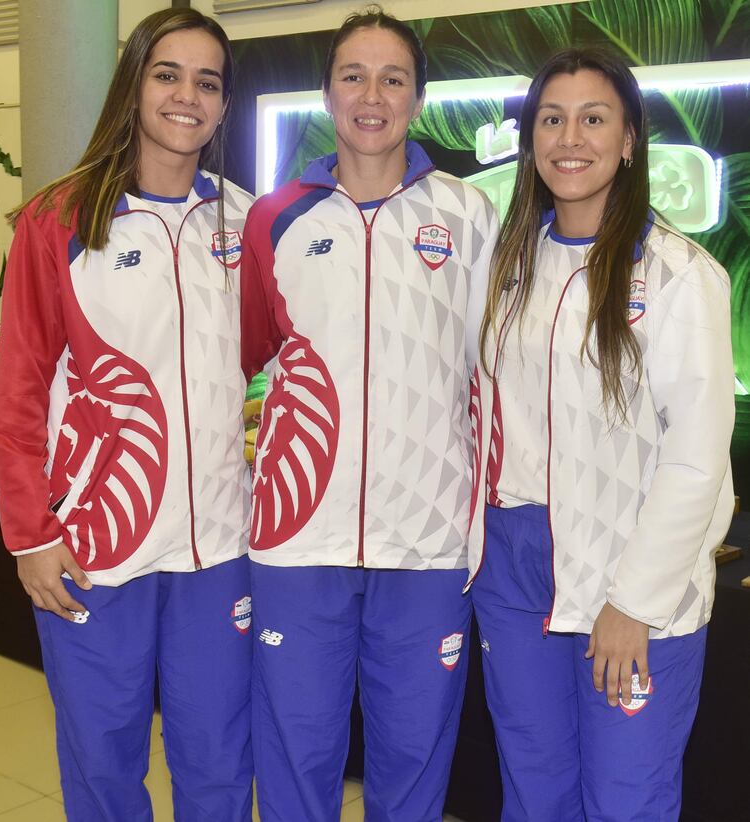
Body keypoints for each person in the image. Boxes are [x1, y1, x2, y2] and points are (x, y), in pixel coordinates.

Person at [0, 9, 254, 821]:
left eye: (207, 82)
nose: (186, 96)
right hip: (95, 547)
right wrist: (31, 534)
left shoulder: (245, 220)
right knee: (103, 761)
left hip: (219, 547)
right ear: (134, 85)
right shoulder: (59, 221)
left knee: (218, 758)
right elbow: (20, 389)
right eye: (167, 74)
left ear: (223, 104)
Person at [240, 6, 497, 820]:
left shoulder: (468, 216)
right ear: (327, 93)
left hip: (427, 542)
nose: (372, 96)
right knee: (295, 760)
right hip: (297, 539)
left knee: (414, 766)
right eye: (354, 76)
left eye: (393, 78)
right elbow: (245, 356)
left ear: (418, 98)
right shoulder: (274, 217)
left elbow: (495, 371)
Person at [466, 48, 735, 821]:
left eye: (593, 118)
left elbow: (696, 458)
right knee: (534, 787)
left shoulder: (680, 275)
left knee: (625, 798)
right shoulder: (507, 266)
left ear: (628, 140)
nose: (570, 138)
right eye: (552, 119)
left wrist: (634, 603)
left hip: (631, 571)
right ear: (530, 140)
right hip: (516, 572)